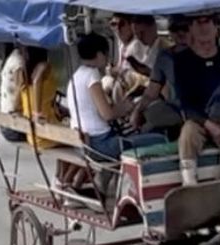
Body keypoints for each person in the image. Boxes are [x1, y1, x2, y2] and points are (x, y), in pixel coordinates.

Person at [65, 32, 167, 164]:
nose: (107, 59)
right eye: (107, 54)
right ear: (100, 54)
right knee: (159, 139)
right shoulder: (92, 76)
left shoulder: (77, 75)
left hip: (85, 141)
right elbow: (107, 114)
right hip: (101, 144)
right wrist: (124, 108)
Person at [173, 11, 220, 185]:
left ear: (216, 27)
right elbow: (186, 104)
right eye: (198, 22)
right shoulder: (182, 61)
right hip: (200, 122)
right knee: (188, 133)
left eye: (208, 21)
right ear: (190, 28)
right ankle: (190, 184)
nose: (204, 27)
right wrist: (212, 127)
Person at [130, 14, 192, 137]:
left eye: (185, 28)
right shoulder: (165, 56)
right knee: (148, 117)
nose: (180, 33)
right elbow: (151, 92)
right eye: (175, 28)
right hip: (174, 110)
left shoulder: (206, 54)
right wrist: (137, 111)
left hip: (198, 116)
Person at [19, 46, 61, 149]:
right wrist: (37, 113)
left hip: (31, 134)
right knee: (81, 140)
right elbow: (37, 80)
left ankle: (67, 166)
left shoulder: (25, 70)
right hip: (44, 133)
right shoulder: (44, 66)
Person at [0, 43, 26, 142]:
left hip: (5, 124)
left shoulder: (10, 59)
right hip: (14, 128)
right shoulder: (18, 62)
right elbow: (20, 89)